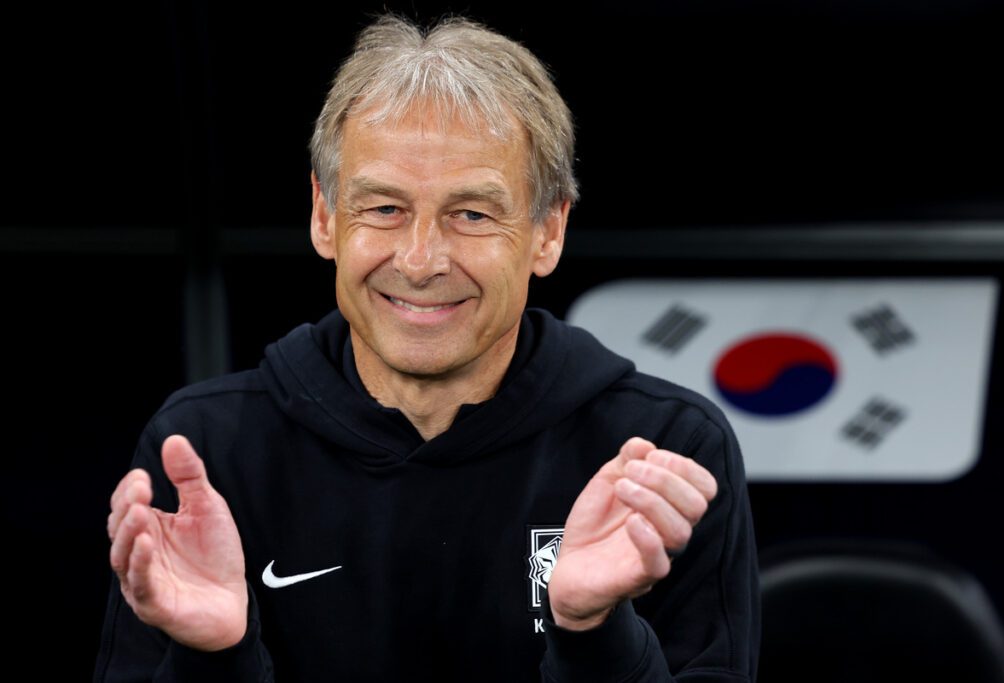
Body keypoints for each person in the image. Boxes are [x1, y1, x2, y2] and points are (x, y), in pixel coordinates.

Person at [95, 14, 759, 682]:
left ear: (547, 231)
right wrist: (211, 657)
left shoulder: (660, 455)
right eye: (384, 208)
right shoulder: (204, 454)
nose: (420, 260)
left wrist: (594, 634)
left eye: (471, 214)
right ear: (325, 217)